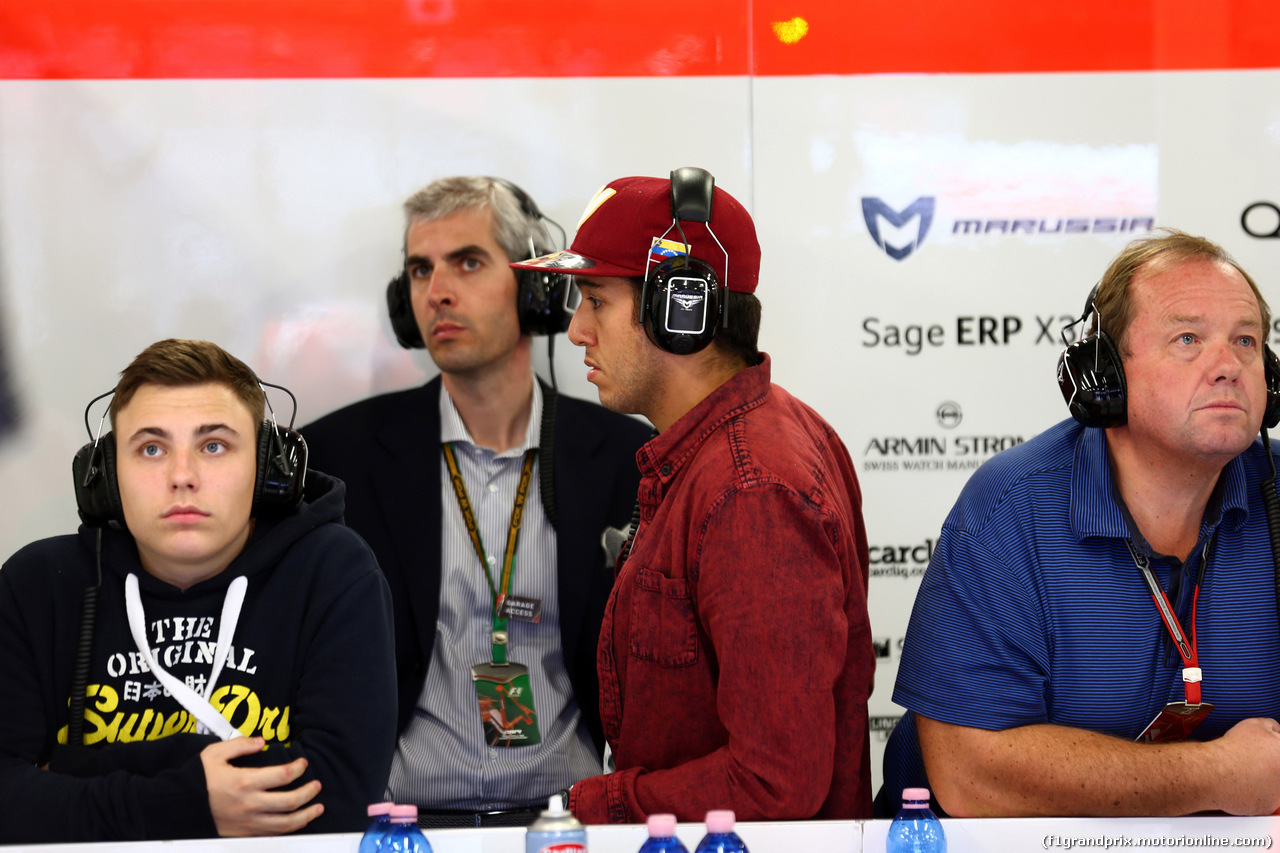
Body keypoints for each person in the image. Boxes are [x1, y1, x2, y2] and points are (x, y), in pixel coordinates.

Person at [511, 168, 874, 823]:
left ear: (681, 308)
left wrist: (594, 803)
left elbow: (774, 781)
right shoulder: (730, 452)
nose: (576, 331)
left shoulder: (750, 487)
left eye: (596, 299)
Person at [889, 228, 1280, 817]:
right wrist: (1217, 775)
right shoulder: (1008, 510)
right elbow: (973, 775)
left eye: (1246, 341)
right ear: (1104, 375)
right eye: (1188, 338)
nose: (1227, 365)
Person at [302, 177, 650, 825]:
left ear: (534, 291)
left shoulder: (629, 458)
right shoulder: (337, 460)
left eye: (467, 261)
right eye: (419, 269)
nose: (438, 291)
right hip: (402, 825)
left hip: (568, 823)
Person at [0, 339, 396, 842]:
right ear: (105, 475)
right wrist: (190, 798)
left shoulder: (332, 571)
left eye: (213, 446)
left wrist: (70, 769)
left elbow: (337, 799)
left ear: (268, 467)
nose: (182, 477)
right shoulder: (36, 586)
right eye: (151, 448)